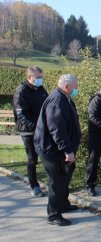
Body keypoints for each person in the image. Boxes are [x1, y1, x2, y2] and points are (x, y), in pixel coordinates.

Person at [34, 74, 81, 226]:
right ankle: (54, 215)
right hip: (52, 150)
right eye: (75, 86)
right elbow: (56, 130)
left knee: (65, 177)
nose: (77, 89)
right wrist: (67, 151)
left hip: (60, 148)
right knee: (56, 181)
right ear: (66, 86)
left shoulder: (64, 98)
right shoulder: (56, 101)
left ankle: (63, 204)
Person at [13, 66, 48, 197]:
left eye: (41, 77)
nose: (40, 79)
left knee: (47, 156)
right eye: (38, 77)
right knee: (32, 159)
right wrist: (35, 126)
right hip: (28, 131)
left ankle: (52, 182)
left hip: (42, 129)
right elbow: (22, 115)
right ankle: (34, 185)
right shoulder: (21, 92)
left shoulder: (41, 89)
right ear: (30, 78)